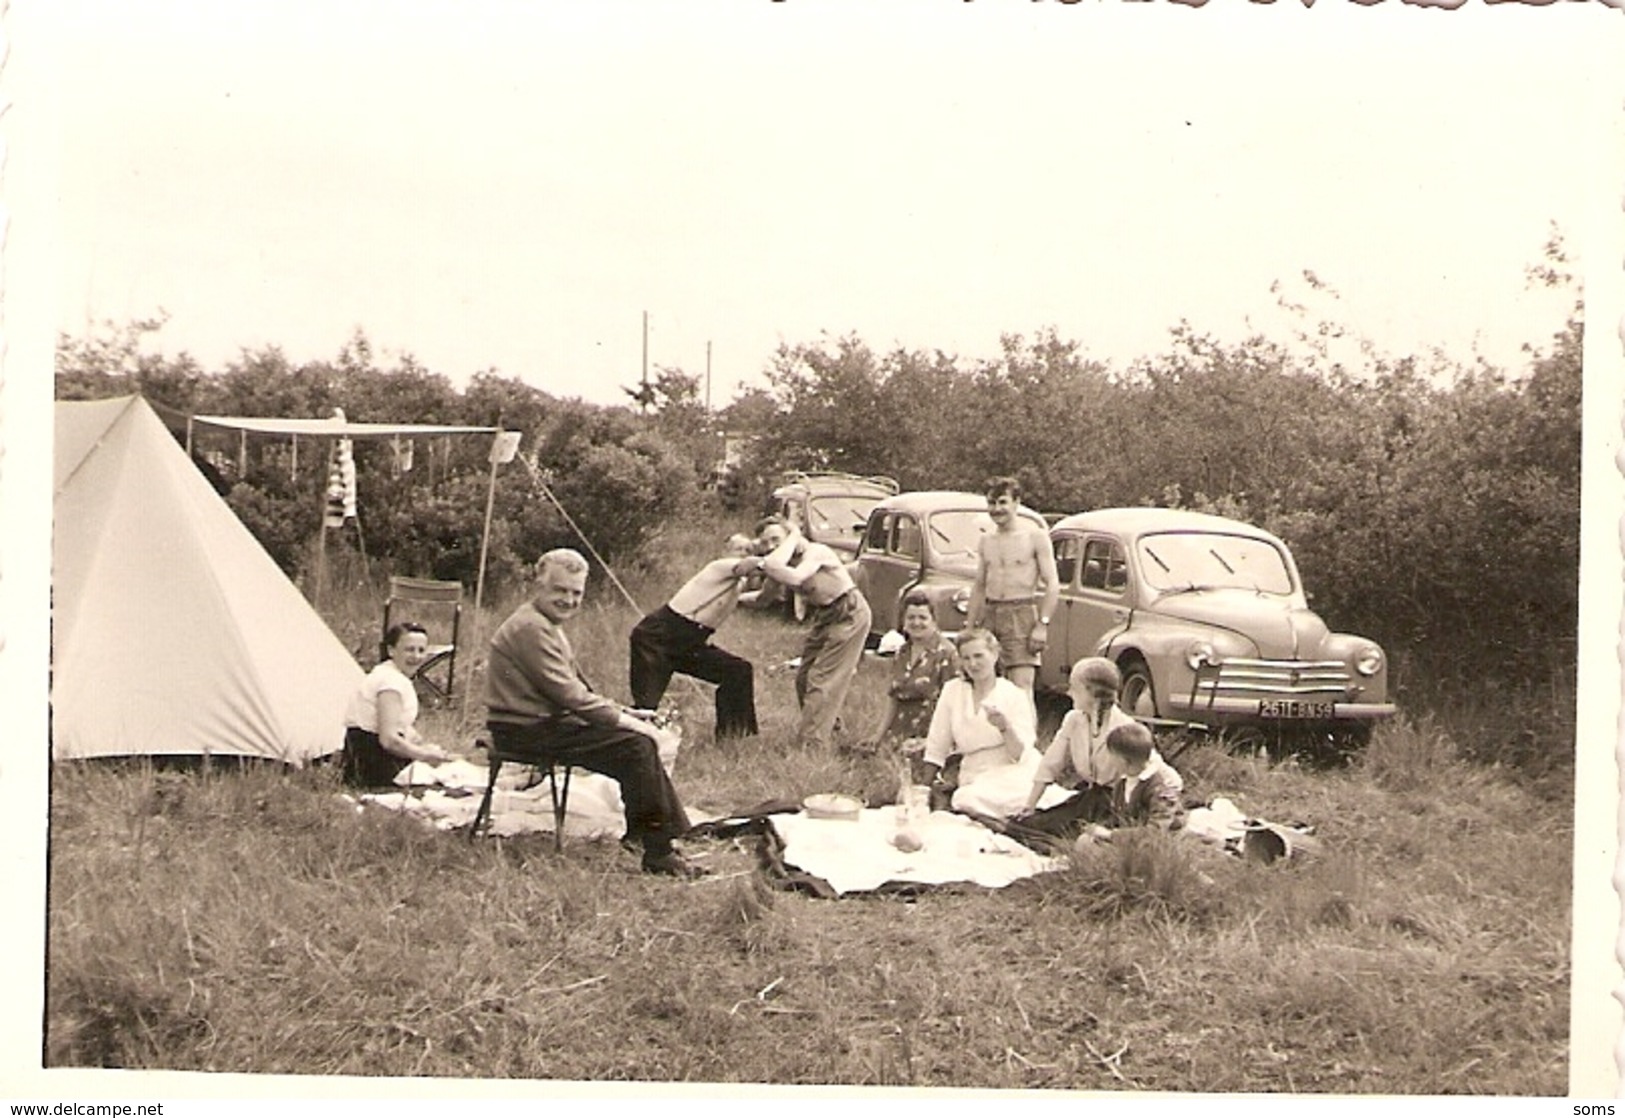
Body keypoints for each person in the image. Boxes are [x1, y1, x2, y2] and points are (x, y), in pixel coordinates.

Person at [485, 548, 703, 878]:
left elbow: (577, 692)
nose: (569, 600)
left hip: (542, 722)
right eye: (559, 590)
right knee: (637, 746)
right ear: (538, 585)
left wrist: (628, 713)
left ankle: (645, 834)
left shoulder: (545, 623)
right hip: (523, 729)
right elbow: (572, 697)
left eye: (576, 593)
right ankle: (658, 850)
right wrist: (634, 724)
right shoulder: (531, 628)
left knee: (636, 741)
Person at [757, 515, 873, 750]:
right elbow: (762, 599)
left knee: (822, 679)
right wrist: (730, 596)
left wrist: (793, 538)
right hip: (825, 616)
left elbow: (797, 576)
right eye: (765, 543)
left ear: (791, 536)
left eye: (775, 539)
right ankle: (831, 730)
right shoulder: (783, 562)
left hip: (848, 612)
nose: (770, 547)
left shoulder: (816, 552)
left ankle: (812, 745)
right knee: (803, 678)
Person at [628, 533, 760, 739]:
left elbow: (762, 599)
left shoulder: (738, 585)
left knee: (737, 671)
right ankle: (630, 742)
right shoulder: (718, 567)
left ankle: (733, 735)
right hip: (658, 637)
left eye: (748, 550)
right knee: (647, 703)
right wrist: (790, 538)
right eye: (738, 549)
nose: (743, 554)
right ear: (724, 552)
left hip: (690, 640)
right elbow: (749, 566)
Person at [918, 627, 1046, 818]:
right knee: (966, 798)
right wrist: (923, 790)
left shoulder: (1014, 695)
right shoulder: (953, 691)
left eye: (979, 656)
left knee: (1027, 798)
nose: (973, 664)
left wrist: (1004, 727)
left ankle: (1022, 821)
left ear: (994, 655)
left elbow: (1021, 755)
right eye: (966, 658)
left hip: (1013, 770)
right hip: (974, 773)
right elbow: (937, 744)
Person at [1006, 719, 1186, 852]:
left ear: (1124, 761)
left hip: (1155, 846)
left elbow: (1156, 833)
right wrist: (1099, 829)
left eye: (1112, 757)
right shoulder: (1123, 783)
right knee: (1084, 841)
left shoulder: (1160, 790)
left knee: (1087, 848)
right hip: (1131, 838)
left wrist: (1109, 835)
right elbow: (1120, 817)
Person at [966, 476, 1059, 700]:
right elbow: (979, 586)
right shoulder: (986, 541)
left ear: (1016, 503)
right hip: (990, 614)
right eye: (991, 503)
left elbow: (1053, 584)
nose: (997, 509)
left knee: (1021, 686)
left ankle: (1025, 735)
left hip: (1021, 614)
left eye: (1002, 502)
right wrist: (970, 627)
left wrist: (1042, 625)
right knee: (984, 683)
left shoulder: (1034, 537)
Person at [342, 622, 452, 788]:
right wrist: (423, 755)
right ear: (391, 650)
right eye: (409, 649)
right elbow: (388, 740)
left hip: (369, 754)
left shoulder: (388, 673)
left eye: (421, 650)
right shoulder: (390, 682)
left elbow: (398, 724)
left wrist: (421, 744)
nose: (416, 656)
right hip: (373, 760)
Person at [865, 588, 960, 759]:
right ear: (903, 621)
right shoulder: (902, 652)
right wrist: (877, 736)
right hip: (898, 732)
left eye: (923, 617)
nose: (916, 623)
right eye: (911, 617)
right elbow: (893, 697)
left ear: (934, 620)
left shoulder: (946, 653)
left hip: (931, 733)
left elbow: (956, 703)